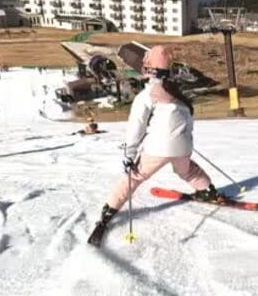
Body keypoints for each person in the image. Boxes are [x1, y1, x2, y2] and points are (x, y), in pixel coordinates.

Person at [88, 45, 222, 246]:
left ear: (147, 70)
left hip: (157, 149)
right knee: (188, 171)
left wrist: (129, 155)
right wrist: (182, 140)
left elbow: (136, 127)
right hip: (183, 146)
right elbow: (185, 117)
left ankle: (108, 212)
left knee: (133, 178)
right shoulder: (177, 91)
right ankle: (208, 190)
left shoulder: (147, 95)